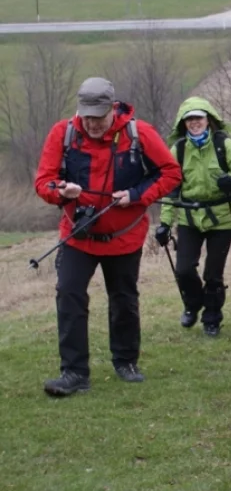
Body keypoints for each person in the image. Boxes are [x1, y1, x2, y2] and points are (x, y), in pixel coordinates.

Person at [34, 77, 182, 397]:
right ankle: (74, 373)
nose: (93, 124)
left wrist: (137, 194)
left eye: (99, 117)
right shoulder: (64, 133)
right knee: (69, 295)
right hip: (78, 236)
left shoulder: (139, 134)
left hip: (124, 237)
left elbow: (171, 173)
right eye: (87, 117)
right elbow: (43, 182)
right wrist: (62, 191)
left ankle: (126, 361)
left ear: (112, 109)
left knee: (124, 300)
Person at [155, 98, 231, 338]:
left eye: (198, 118)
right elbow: (171, 190)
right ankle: (192, 303)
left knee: (213, 273)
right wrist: (165, 223)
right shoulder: (178, 150)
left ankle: (212, 317)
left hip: (223, 219)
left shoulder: (223, 144)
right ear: (184, 123)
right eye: (190, 119)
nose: (195, 123)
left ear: (208, 120)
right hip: (190, 218)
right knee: (184, 269)